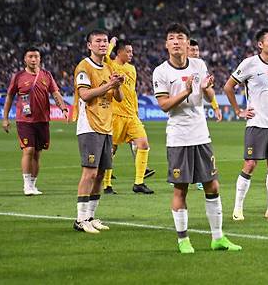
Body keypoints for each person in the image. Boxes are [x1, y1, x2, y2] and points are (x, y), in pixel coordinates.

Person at [152, 23, 241, 254]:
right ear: (166, 44)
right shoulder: (161, 72)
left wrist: (206, 88)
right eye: (171, 38)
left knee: (212, 185)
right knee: (181, 189)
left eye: (180, 38)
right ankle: (183, 240)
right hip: (179, 138)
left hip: (201, 135)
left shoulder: (199, 64)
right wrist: (187, 91)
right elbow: (163, 106)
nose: (175, 42)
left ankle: (218, 238)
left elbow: (207, 92)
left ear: (186, 42)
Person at [224, 28, 268, 221]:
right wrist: (239, 111)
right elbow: (228, 86)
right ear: (260, 44)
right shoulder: (250, 64)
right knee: (250, 163)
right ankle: (238, 209)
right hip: (256, 123)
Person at [73, 30, 124, 234]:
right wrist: (109, 85)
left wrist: (117, 85)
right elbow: (85, 95)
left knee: (101, 173)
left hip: (106, 126)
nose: (103, 44)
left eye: (105, 41)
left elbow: (117, 98)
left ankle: (91, 216)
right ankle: (80, 218)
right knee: (90, 172)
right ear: (89, 45)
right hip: (89, 126)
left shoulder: (108, 67)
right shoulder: (84, 67)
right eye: (98, 41)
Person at [3, 47, 69, 196]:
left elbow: (56, 93)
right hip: (24, 120)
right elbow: (9, 97)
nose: (33, 59)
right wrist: (6, 118)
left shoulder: (46, 75)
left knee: (37, 154)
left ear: (40, 59)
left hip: (43, 120)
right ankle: (26, 185)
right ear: (25, 59)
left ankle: (33, 184)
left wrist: (64, 109)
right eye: (30, 56)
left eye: (36, 57)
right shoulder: (18, 76)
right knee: (29, 150)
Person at [101, 38, 154, 195]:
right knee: (111, 150)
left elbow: (132, 92)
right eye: (128, 51)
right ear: (119, 52)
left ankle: (139, 182)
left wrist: (136, 111)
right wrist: (111, 43)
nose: (131, 54)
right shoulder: (111, 65)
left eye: (132, 51)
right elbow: (104, 56)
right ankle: (107, 184)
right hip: (116, 115)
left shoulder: (132, 69)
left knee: (143, 144)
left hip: (132, 115)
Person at [187, 38, 223, 191]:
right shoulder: (176, 68)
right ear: (186, 50)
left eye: (197, 50)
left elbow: (208, 91)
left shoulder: (201, 66)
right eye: (192, 50)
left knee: (201, 146)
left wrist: (215, 107)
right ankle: (183, 176)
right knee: (185, 147)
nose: (195, 53)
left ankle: (202, 178)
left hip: (197, 115)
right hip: (181, 115)